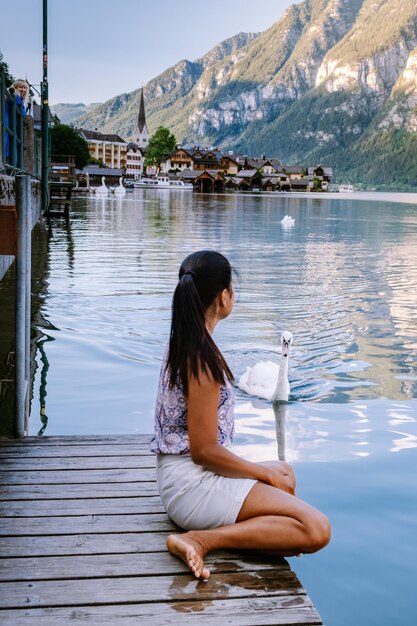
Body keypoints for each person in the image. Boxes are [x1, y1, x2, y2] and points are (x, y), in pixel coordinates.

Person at [149, 250, 330, 580]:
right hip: (188, 486)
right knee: (316, 529)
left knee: (284, 471)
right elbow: (204, 452)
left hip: (178, 474)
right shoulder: (202, 359)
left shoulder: (186, 341)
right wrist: (261, 475)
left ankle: (271, 530)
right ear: (223, 297)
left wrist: (268, 474)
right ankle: (200, 539)